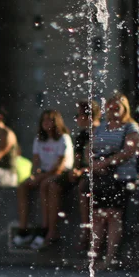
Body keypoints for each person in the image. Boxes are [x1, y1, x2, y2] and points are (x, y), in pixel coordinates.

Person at [86, 92, 139, 270]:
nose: (114, 108)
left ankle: (110, 259)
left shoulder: (130, 127)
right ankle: (93, 260)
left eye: (118, 105)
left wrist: (106, 162)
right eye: (111, 105)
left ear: (125, 108)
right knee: (97, 217)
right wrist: (93, 164)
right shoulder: (101, 127)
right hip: (101, 177)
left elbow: (129, 151)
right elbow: (89, 148)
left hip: (120, 177)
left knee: (112, 215)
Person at [43, 100, 101, 249]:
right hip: (81, 172)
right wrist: (75, 170)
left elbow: (99, 160)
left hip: (94, 172)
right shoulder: (81, 135)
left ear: (88, 116)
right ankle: (52, 230)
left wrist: (82, 171)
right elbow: (77, 159)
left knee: (83, 186)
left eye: (79, 115)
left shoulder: (101, 133)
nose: (77, 119)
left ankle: (86, 230)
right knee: (53, 184)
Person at [13, 110, 73, 250]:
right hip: (45, 173)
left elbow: (59, 167)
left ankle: (47, 228)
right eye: (44, 120)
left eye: (50, 120)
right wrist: (34, 175)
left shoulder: (63, 138)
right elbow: (36, 162)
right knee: (23, 186)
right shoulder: (39, 139)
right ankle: (24, 230)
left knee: (46, 185)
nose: (46, 123)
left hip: (61, 174)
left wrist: (40, 177)